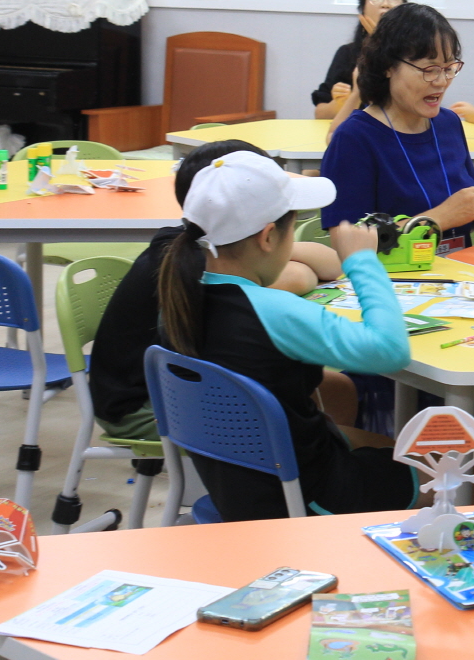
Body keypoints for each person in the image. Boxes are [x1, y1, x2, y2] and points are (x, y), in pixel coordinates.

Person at [157, 150, 416, 520]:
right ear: (268, 237)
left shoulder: (178, 299)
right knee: (472, 479)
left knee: (380, 443)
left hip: (238, 481)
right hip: (299, 493)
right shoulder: (272, 310)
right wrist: (362, 262)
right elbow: (391, 350)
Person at [88, 139, 346, 443]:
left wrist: (280, 250)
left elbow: (331, 265)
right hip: (143, 405)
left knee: (339, 390)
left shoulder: (210, 246)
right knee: (303, 394)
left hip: (188, 384)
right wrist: (286, 255)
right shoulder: (198, 261)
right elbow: (300, 278)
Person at [319, 2, 474, 251]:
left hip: (457, 270)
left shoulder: (449, 124)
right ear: (388, 66)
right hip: (393, 276)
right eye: (429, 69)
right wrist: (438, 218)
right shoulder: (355, 138)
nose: (441, 81)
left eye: (449, 68)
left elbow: (460, 220)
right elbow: (347, 246)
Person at [312, 0, 406, 120]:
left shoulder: (416, 54)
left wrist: (381, 43)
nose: (386, 3)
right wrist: (340, 103)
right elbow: (320, 115)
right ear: (363, 9)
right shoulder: (347, 54)